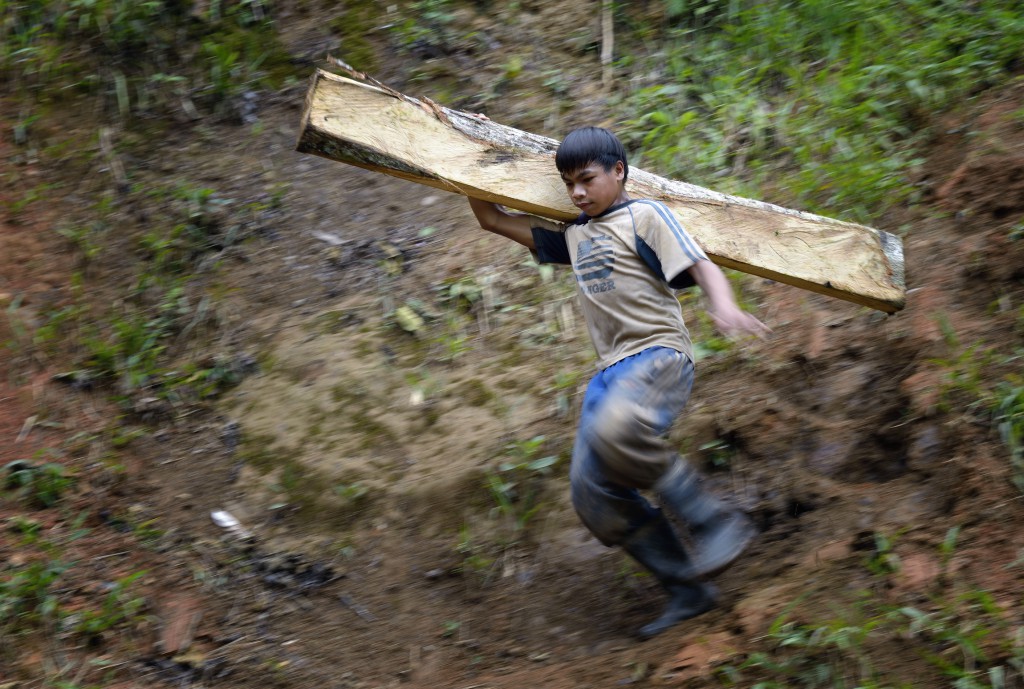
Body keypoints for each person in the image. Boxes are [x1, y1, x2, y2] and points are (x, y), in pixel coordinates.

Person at [467, 126, 769, 639]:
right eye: (569, 185)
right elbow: (492, 218)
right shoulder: (573, 236)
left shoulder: (646, 217)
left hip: (657, 356)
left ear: (618, 172)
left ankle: (713, 520)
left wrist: (724, 305)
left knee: (616, 429)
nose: (578, 192)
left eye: (587, 179)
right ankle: (688, 591)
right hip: (609, 375)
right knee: (592, 498)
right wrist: (462, 165)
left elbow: (701, 264)